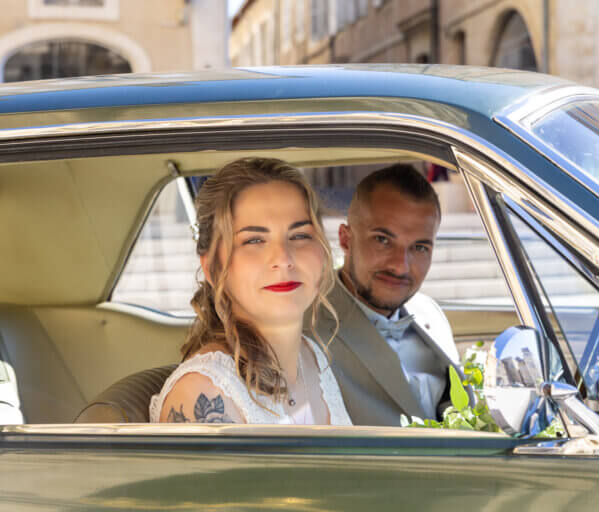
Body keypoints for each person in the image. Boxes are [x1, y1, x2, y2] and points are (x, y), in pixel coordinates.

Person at [150, 157, 351, 425]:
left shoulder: (312, 356)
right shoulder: (203, 391)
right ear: (213, 268)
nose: (283, 257)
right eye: (254, 240)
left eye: (300, 235)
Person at [312, 163, 464, 426]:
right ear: (346, 240)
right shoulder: (307, 329)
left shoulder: (430, 313)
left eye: (419, 247)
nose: (400, 265)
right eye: (383, 240)